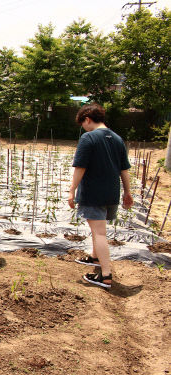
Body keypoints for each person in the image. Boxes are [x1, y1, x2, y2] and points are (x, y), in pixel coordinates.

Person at [68, 103, 133, 289]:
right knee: (99, 230)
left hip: (93, 192)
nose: (83, 128)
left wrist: (72, 190)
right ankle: (95, 258)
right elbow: (124, 169)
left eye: (83, 124)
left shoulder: (88, 138)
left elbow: (80, 166)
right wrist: (127, 192)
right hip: (111, 192)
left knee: (99, 233)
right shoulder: (117, 139)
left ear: (87, 119)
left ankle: (105, 275)